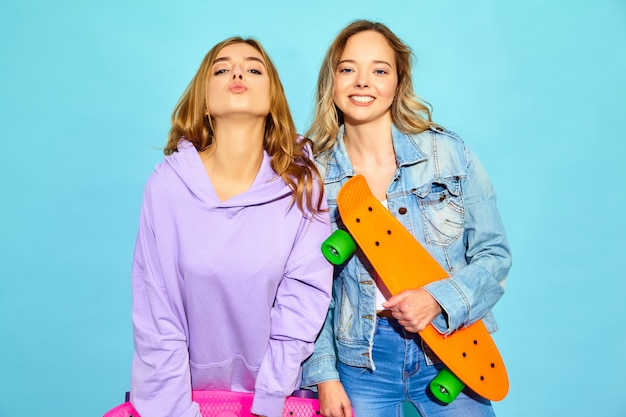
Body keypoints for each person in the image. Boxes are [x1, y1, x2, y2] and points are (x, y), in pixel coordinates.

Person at [300, 20, 512, 417]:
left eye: (379, 70)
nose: (363, 82)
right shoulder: (312, 175)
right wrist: (324, 377)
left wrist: (437, 299)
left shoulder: (447, 154)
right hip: (361, 360)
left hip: (451, 349)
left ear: (398, 82)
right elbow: (307, 292)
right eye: (348, 69)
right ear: (331, 81)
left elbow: (494, 256)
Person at [130, 37, 333, 417]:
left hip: (280, 398)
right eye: (221, 69)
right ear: (204, 101)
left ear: (273, 98)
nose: (237, 72)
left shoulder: (302, 184)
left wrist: (270, 401)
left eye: (254, 69)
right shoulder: (167, 186)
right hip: (182, 400)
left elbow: (304, 300)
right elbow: (158, 314)